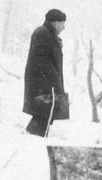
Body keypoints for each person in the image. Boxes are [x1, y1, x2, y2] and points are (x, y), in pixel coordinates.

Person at [23, 8, 67, 136]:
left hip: (47, 82)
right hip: (42, 83)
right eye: (63, 24)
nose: (64, 28)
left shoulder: (49, 35)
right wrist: (54, 81)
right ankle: (31, 138)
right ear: (55, 23)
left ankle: (32, 138)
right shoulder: (42, 33)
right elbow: (42, 61)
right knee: (44, 112)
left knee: (48, 113)